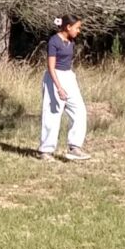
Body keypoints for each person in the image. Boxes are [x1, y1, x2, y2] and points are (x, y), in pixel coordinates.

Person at [38, 16, 91, 162]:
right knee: (52, 114)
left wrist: (67, 82)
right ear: (68, 27)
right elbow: (51, 67)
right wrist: (59, 88)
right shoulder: (54, 41)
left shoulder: (71, 41)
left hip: (68, 76)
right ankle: (46, 151)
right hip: (54, 77)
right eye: (77, 28)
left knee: (79, 111)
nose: (79, 31)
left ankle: (75, 147)